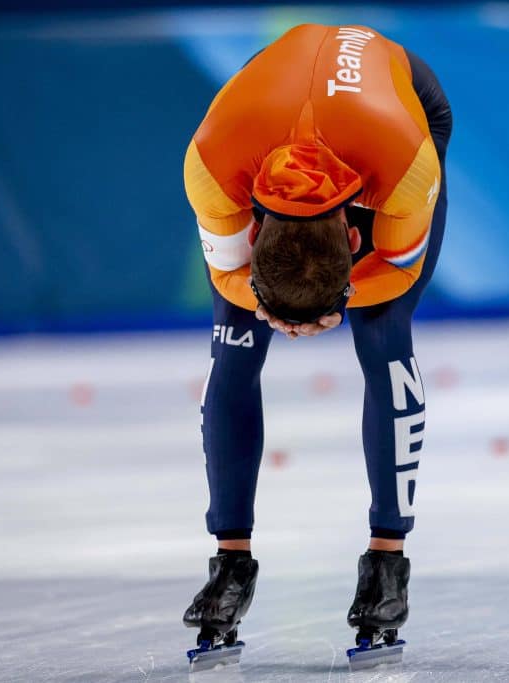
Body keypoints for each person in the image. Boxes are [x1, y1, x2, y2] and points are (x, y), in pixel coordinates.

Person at [180, 22, 452, 664]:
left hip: (401, 100)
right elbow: (227, 277)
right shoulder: (212, 171)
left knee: (384, 336)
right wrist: (283, 305)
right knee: (233, 347)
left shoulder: (405, 171)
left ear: (356, 241)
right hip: (265, 108)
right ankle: (229, 562)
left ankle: (387, 563)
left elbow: (399, 268)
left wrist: (323, 302)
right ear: (253, 233)